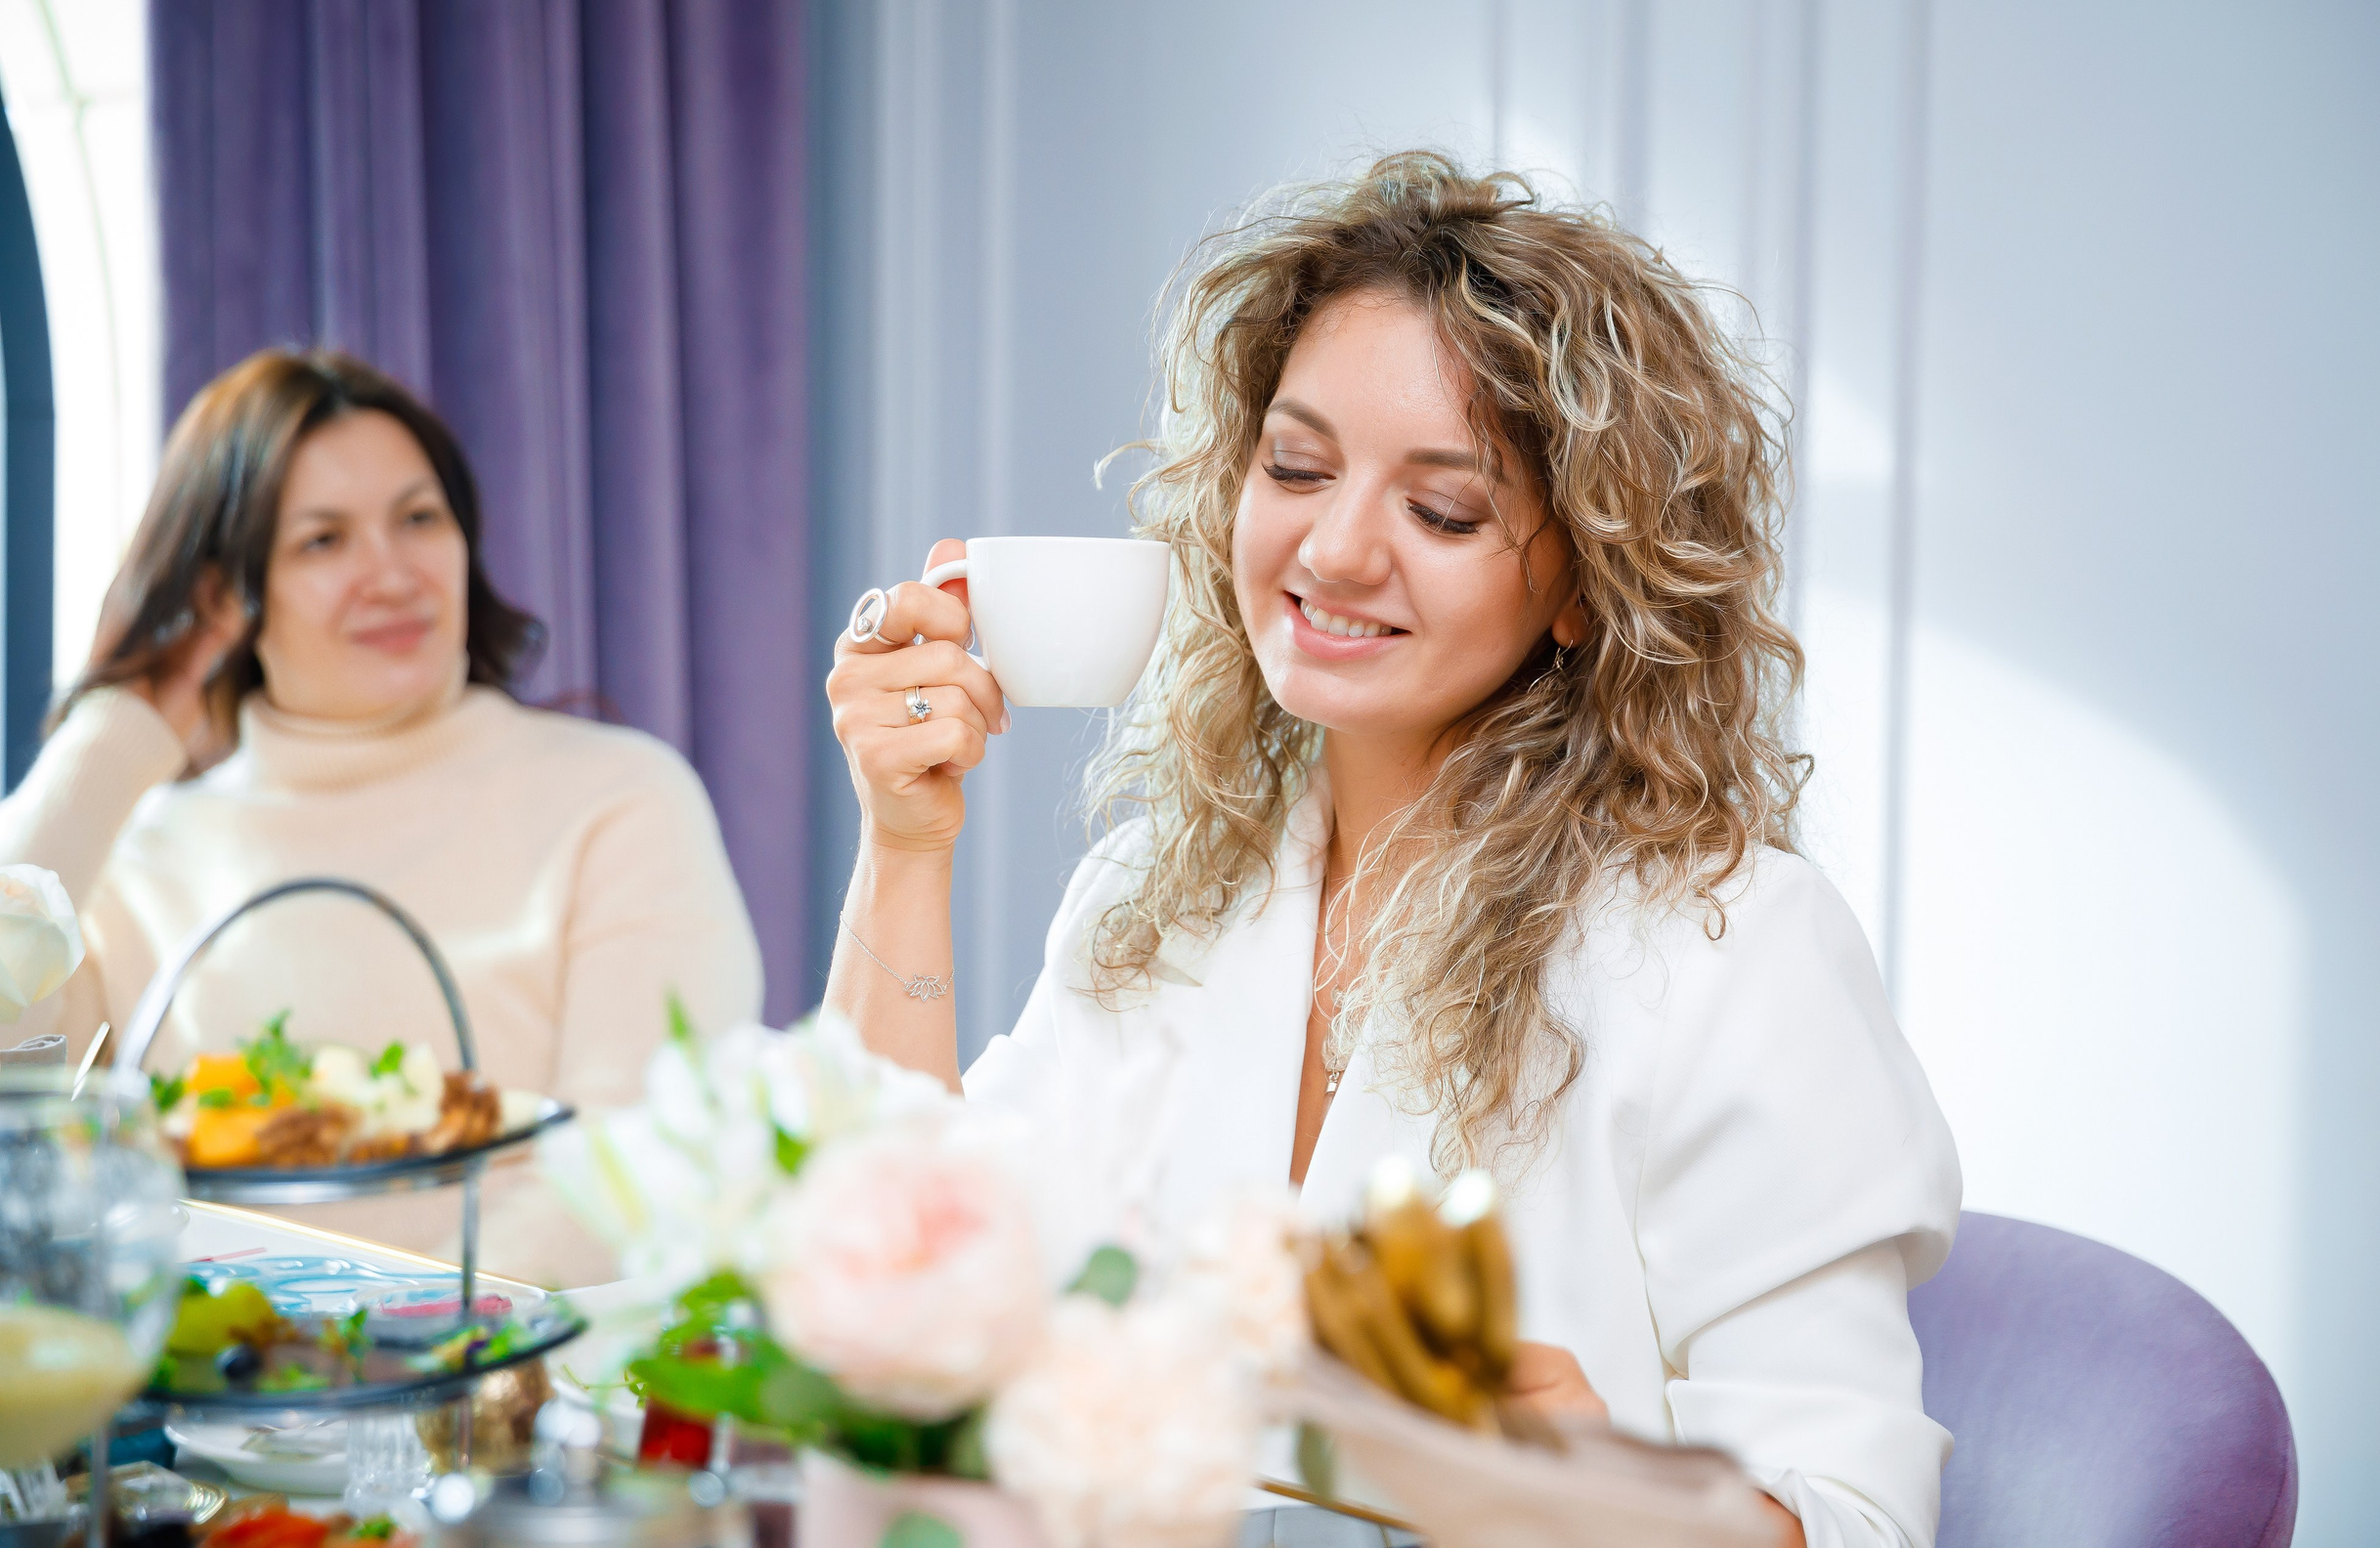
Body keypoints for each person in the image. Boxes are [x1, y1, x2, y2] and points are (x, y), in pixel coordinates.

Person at [825, 153, 1960, 1548]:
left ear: (1585, 583)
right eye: (1295, 466)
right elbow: (898, 1276)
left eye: (1443, 509)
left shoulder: (1733, 948)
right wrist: (905, 842)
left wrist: (1576, 1493)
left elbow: (1854, 1519)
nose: (1337, 548)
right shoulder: (1159, 894)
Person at [0, 349, 761, 1285]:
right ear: (223, 596)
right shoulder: (143, 857)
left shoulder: (621, 796)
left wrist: (378, 1358)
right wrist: (118, 733)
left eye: (419, 518)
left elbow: (635, 1163)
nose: (392, 572)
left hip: (512, 1398)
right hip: (204, 1412)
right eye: (323, 540)